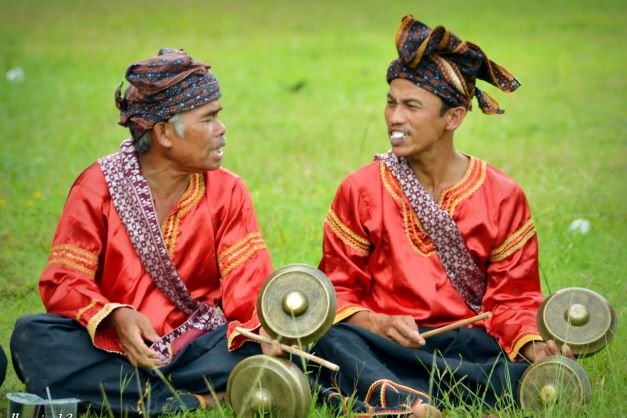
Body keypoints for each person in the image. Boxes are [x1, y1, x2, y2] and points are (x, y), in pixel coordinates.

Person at [311, 16, 573, 418]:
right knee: (329, 340)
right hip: (385, 344)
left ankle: (386, 398)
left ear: (454, 117)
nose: (395, 118)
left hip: (466, 344)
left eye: (411, 106)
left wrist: (534, 344)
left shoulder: (502, 196)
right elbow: (337, 289)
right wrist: (377, 322)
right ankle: (411, 403)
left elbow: (513, 299)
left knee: (503, 359)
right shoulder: (360, 189)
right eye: (391, 101)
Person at [10, 49, 276, 416]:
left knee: (267, 349)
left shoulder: (228, 191)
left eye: (219, 117)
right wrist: (114, 317)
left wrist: (267, 333)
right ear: (164, 132)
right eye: (209, 118)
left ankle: (139, 400)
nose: (221, 129)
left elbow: (249, 287)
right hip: (117, 347)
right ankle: (192, 399)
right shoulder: (98, 186)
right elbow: (63, 280)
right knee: (35, 337)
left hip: (197, 348)